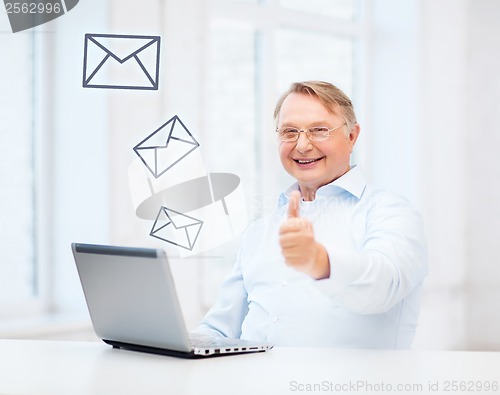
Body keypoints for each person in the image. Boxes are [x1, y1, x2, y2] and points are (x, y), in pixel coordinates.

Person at [196, 81, 428, 349]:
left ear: (352, 136)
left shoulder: (392, 212)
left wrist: (320, 262)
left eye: (319, 130)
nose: (303, 145)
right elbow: (220, 327)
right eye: (290, 132)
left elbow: (383, 286)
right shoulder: (260, 231)